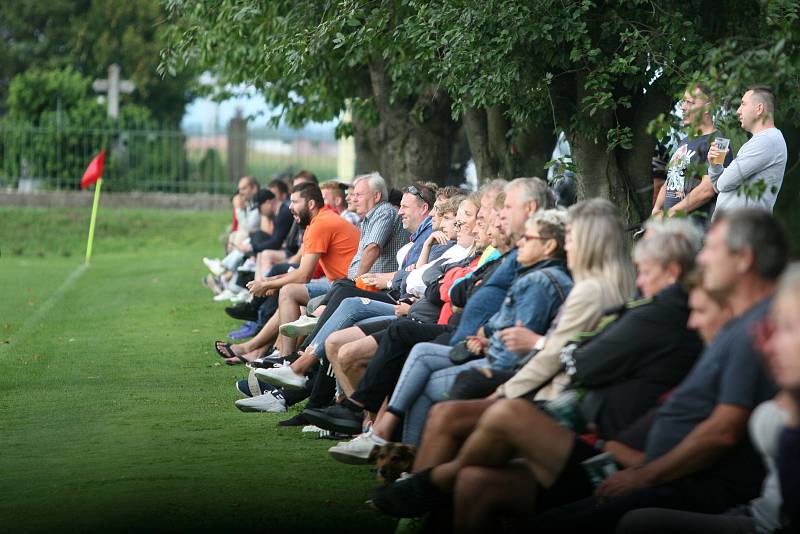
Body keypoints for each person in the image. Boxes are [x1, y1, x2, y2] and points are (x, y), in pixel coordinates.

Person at [519, 209, 788, 533]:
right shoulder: (737, 323)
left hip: (682, 487)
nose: (701, 257)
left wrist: (644, 474)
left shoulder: (755, 328)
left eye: (711, 249)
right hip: (649, 467)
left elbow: (723, 430)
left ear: (744, 259)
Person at [215, 182, 359, 364]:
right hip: (338, 284)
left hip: (348, 287)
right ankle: (256, 349)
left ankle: (283, 358)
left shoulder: (321, 224)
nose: (290, 207)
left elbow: (303, 276)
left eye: (295, 202)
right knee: (287, 292)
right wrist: (274, 280)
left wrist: (268, 284)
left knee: (288, 292)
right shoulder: (317, 222)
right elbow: (304, 271)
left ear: (311, 204)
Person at [652, 83, 733, 223]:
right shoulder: (684, 141)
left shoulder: (720, 143)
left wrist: (669, 214)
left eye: (689, 102)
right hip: (670, 228)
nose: (683, 107)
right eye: (683, 101)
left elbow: (707, 190)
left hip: (693, 232)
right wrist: (657, 209)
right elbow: (671, 178)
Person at [708, 86, 787, 218]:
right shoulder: (761, 141)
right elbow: (718, 186)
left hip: (742, 232)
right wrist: (715, 165)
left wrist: (721, 176)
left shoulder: (767, 141)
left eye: (743, 104)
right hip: (734, 231)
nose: (738, 111)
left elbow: (723, 183)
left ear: (759, 109)